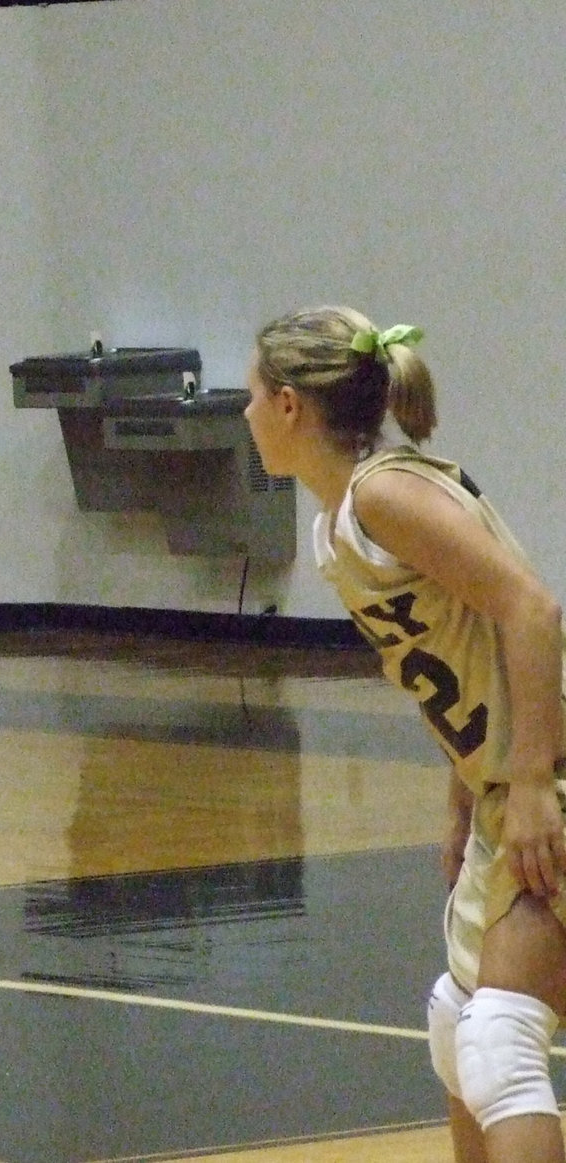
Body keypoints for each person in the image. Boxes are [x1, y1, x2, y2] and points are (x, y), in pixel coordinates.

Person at [245, 306, 566, 1163]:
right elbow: (472, 649)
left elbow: (531, 611)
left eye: (252, 395)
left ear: (287, 405)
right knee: (459, 1026)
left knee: (499, 1042)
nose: (244, 413)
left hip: (549, 769)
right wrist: (463, 800)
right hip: (507, 779)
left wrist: (533, 783)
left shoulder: (383, 495)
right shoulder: (345, 519)